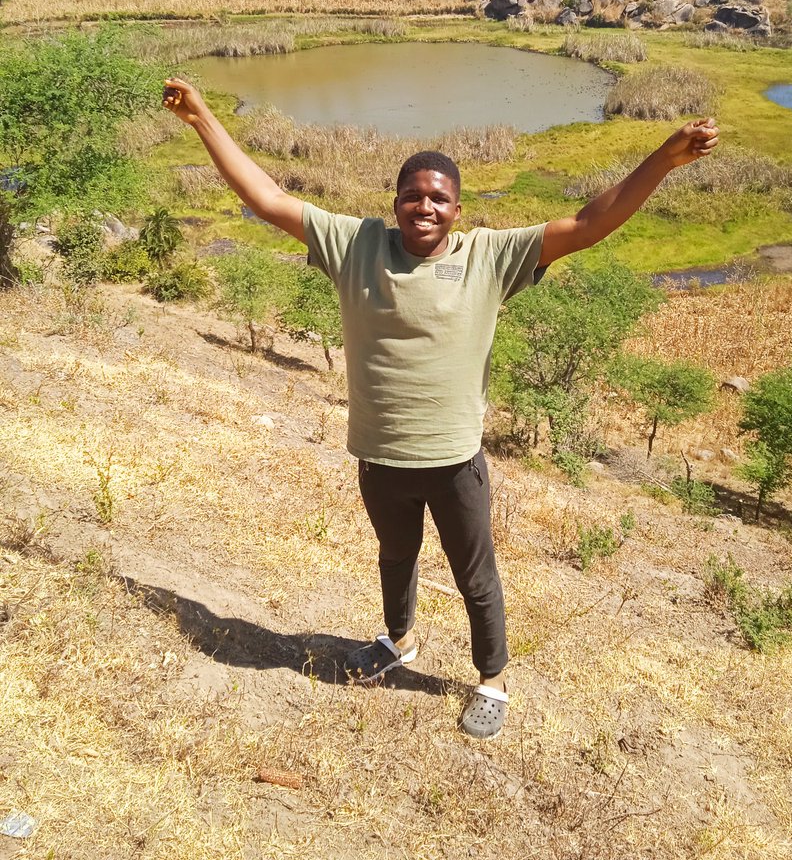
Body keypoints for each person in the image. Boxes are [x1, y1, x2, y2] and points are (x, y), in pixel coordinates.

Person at [163, 77, 718, 739]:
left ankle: (492, 681)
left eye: (438, 198)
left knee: (474, 576)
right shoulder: (355, 244)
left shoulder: (491, 255)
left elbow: (589, 224)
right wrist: (201, 118)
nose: (424, 206)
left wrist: (663, 158)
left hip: (454, 460)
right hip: (379, 453)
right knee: (395, 558)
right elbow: (266, 197)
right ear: (395, 202)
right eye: (413, 195)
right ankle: (398, 642)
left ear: (457, 209)